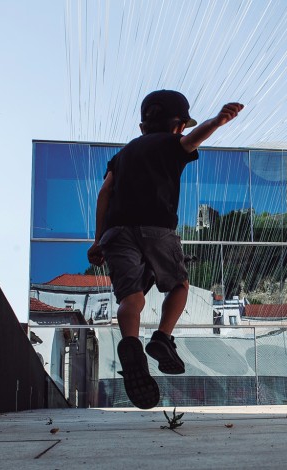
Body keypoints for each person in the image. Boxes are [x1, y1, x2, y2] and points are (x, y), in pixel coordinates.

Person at [87, 90, 243, 409]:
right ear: (179, 125)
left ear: (143, 125)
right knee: (178, 286)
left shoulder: (121, 155)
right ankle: (161, 338)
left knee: (131, 298)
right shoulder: (172, 142)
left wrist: (98, 238)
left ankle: (130, 344)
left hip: (116, 232)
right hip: (157, 227)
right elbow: (191, 142)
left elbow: (104, 193)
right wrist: (218, 120)